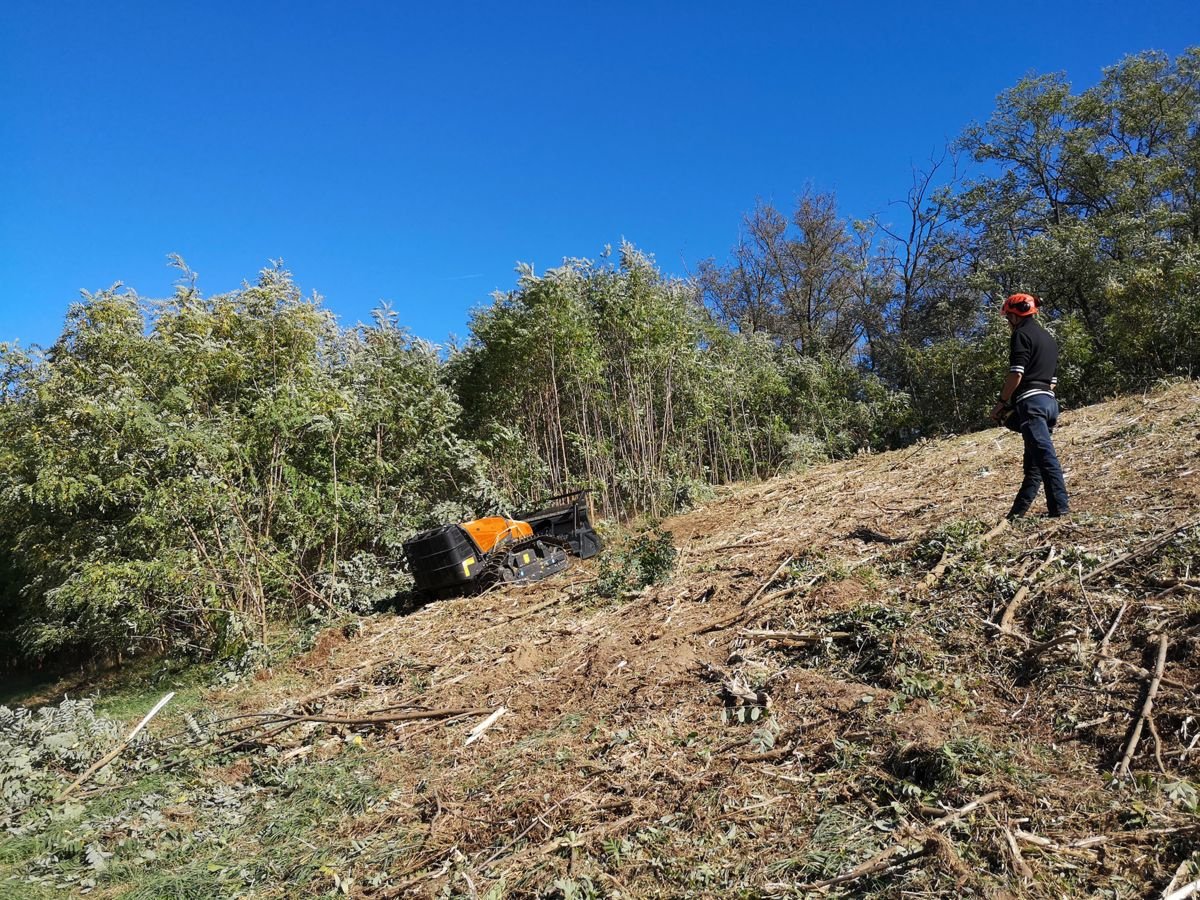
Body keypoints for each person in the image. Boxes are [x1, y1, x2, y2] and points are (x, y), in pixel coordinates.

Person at [989, 293, 1070, 518]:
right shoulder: (1048, 338)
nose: (1008, 323)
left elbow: (1016, 373)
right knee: (1034, 465)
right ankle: (1015, 516)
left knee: (1045, 457)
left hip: (1031, 403)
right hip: (1049, 403)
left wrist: (1001, 403)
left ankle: (1060, 509)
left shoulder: (1021, 335)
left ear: (1016, 316)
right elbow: (1052, 382)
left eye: (1008, 318)